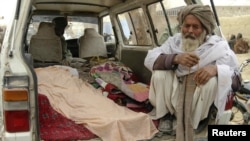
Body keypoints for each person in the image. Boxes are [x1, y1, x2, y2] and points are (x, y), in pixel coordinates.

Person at [144, 4, 238, 141]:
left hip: (196, 100)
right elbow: (150, 58)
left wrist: (216, 69)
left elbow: (236, 79)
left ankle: (198, 121)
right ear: (181, 27)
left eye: (196, 27)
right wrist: (175, 58)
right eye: (186, 26)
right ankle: (165, 116)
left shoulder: (217, 47)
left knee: (212, 80)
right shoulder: (173, 43)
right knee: (160, 73)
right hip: (173, 96)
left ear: (205, 29)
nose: (190, 31)